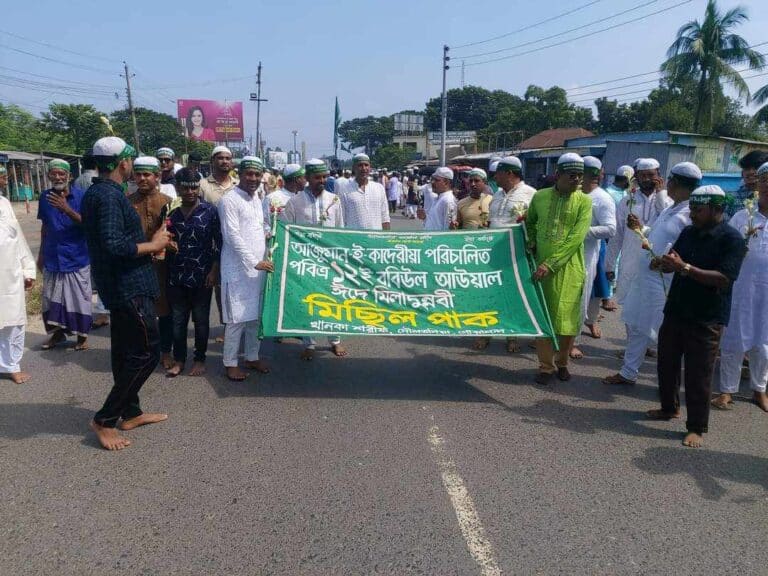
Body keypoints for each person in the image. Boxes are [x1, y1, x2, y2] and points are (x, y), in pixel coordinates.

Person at [81, 137, 172, 450]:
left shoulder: (103, 193)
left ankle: (130, 412)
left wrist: (155, 238)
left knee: (124, 352)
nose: (132, 166)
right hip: (127, 286)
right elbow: (112, 245)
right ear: (122, 162)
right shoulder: (107, 196)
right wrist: (154, 245)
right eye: (130, 160)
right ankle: (105, 419)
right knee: (147, 353)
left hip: (123, 285)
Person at [648, 185, 746, 448]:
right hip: (677, 308)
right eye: (691, 208)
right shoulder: (689, 231)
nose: (692, 214)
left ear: (717, 209)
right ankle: (669, 408)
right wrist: (665, 264)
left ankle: (696, 427)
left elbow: (724, 279)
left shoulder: (732, 239)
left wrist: (685, 268)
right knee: (666, 363)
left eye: (698, 209)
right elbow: (675, 262)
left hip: (707, 316)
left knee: (698, 373)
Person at [603, 162, 701, 386]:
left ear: (675, 183)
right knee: (638, 325)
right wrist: (640, 228)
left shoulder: (688, 213)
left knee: (665, 334)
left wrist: (666, 260)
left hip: (664, 281)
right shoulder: (671, 208)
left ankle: (670, 389)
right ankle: (628, 372)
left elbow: (686, 248)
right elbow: (654, 234)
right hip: (644, 277)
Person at [526, 153, 592, 384]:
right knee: (544, 317)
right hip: (540, 267)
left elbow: (576, 237)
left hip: (569, 267)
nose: (577, 180)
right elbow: (530, 222)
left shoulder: (584, 201)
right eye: (572, 175)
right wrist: (531, 242)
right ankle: (545, 366)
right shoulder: (540, 197)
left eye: (580, 176)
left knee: (567, 321)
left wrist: (551, 263)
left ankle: (563, 363)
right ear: (558, 174)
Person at [713, 161, 768, 413]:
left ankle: (759, 389)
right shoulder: (742, 216)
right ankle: (726, 390)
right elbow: (725, 250)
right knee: (735, 337)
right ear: (758, 184)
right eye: (765, 180)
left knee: (765, 342)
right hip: (742, 287)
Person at [281, 159, 346, 360]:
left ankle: (335, 340)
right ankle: (309, 342)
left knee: (333, 299)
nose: (322, 180)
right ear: (307, 178)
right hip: (305, 261)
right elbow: (286, 229)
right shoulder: (295, 201)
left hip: (330, 260)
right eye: (317, 177)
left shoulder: (334, 200)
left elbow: (341, 230)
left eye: (325, 177)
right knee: (307, 300)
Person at [218, 156, 274, 381]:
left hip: (258, 269)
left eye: (257, 174)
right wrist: (253, 260)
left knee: (254, 318)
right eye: (249, 174)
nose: (253, 178)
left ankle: (252, 356)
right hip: (237, 269)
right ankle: (230, 363)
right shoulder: (229, 200)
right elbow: (231, 236)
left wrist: (268, 233)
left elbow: (260, 227)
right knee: (236, 319)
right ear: (239, 174)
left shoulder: (257, 198)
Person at [164, 168, 221, 378]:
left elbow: (218, 243)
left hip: (202, 275)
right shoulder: (171, 212)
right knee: (178, 322)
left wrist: (214, 271)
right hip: (177, 275)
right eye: (185, 187)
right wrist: (168, 244)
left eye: (194, 187)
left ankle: (199, 359)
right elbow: (163, 235)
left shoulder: (210, 211)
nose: (190, 191)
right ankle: (179, 360)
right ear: (178, 188)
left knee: (201, 320)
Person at [37, 159, 92, 351]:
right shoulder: (44, 197)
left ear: (69, 176)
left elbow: (88, 224)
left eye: (62, 174)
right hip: (53, 257)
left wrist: (66, 209)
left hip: (76, 256)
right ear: (49, 176)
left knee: (78, 299)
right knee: (53, 299)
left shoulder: (82, 196)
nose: (58, 177)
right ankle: (57, 335)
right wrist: (41, 254)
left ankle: (81, 337)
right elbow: (44, 227)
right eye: (54, 173)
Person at [127, 157, 174, 370]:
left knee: (163, 310)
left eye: (147, 174)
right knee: (137, 311)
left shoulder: (168, 202)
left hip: (162, 266)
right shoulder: (126, 201)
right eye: (139, 174)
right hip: (134, 263)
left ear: (157, 176)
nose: (143, 178)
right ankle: (141, 351)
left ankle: (165, 352)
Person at [606, 158, 672, 305]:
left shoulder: (668, 200)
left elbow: (666, 220)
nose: (647, 179)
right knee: (630, 307)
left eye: (651, 175)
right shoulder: (627, 201)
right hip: (631, 260)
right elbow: (617, 235)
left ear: (659, 176)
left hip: (656, 261)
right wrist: (609, 265)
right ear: (636, 176)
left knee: (655, 307)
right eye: (643, 175)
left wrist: (660, 194)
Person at [570, 156, 616, 360]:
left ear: (592, 175)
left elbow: (610, 229)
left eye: (580, 173)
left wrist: (580, 232)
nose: (576, 177)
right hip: (567, 252)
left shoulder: (602, 198)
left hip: (586, 255)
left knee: (580, 297)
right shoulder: (575, 194)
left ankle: (573, 342)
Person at [0, 185, 35, 384]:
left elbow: (17, 237)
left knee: (13, 321)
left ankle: (12, 366)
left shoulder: (4, 203)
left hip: (9, 274)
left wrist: (27, 269)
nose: (4, 181)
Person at [601, 165, 634, 312]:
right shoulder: (609, 193)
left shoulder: (625, 193)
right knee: (610, 264)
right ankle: (606, 298)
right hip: (611, 235)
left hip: (623, 234)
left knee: (617, 264)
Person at [336, 153, 390, 230]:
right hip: (354, 239)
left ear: (370, 167)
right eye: (360, 165)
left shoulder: (379, 188)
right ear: (354, 168)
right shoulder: (344, 190)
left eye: (366, 165)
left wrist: (386, 238)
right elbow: (341, 220)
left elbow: (385, 217)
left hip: (376, 238)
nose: (364, 168)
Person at [488, 156, 537, 229]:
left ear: (509, 173)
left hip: (518, 240)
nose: (495, 177)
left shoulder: (531, 194)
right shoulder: (496, 195)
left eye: (498, 173)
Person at [726, 151, 768, 220]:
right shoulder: (731, 199)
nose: (750, 172)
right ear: (742, 173)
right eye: (747, 168)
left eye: (755, 168)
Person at [263, 164, 303, 236]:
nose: (306, 181)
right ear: (297, 179)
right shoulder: (272, 198)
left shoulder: (304, 198)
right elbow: (264, 222)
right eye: (304, 177)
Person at [418, 167, 457, 231]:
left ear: (446, 182)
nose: (432, 182)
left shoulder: (448, 201)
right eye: (432, 179)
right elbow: (435, 223)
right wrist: (424, 217)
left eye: (436, 180)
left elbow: (448, 230)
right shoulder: (437, 198)